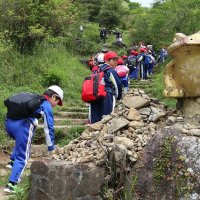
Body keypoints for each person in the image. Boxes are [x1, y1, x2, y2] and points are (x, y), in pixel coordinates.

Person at [4, 85, 64, 193]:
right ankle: (11, 185)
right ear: (54, 97)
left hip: (9, 124)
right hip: (22, 127)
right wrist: (51, 147)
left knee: (21, 144)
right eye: (57, 102)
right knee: (23, 156)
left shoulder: (35, 98)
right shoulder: (46, 105)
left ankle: (12, 161)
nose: (56, 105)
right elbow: (48, 128)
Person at [90, 51, 122, 124]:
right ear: (107, 60)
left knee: (95, 121)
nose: (116, 62)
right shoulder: (111, 70)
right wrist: (118, 96)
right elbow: (118, 85)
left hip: (94, 96)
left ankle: (92, 134)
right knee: (106, 119)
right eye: (114, 60)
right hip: (107, 95)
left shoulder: (95, 69)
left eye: (116, 60)